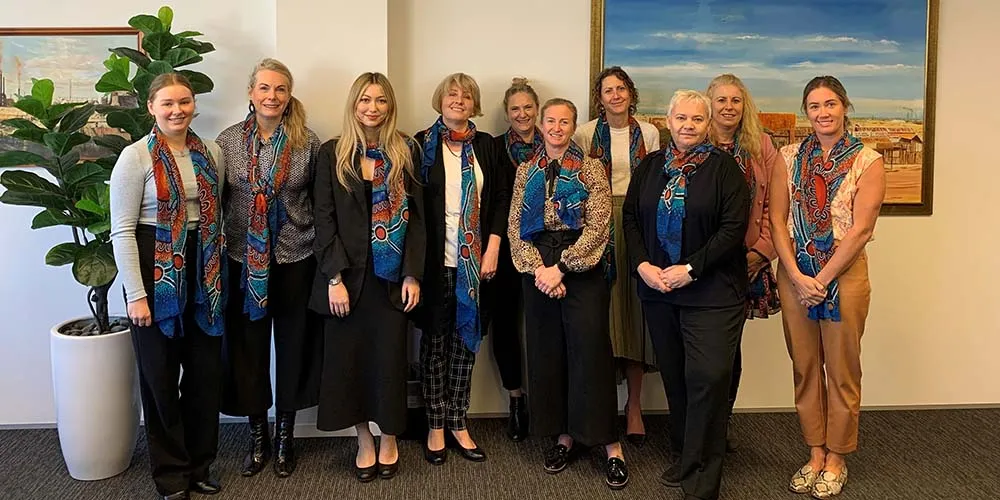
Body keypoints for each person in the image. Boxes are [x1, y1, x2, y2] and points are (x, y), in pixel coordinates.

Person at [622, 89, 750, 500]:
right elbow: (630, 219)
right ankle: (685, 455)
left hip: (712, 292)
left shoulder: (724, 168)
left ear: (708, 124)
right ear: (669, 120)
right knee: (676, 379)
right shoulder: (651, 166)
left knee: (707, 380)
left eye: (697, 119)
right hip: (659, 290)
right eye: (682, 119)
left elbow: (733, 230)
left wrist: (690, 269)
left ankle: (702, 480)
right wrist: (642, 265)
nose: (689, 126)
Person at [109, 72, 226, 500]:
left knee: (204, 375)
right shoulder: (134, 157)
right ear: (152, 108)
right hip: (152, 263)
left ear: (194, 105)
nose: (177, 110)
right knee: (159, 377)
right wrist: (136, 294)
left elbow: (216, 212)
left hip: (205, 270)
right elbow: (121, 230)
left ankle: (199, 465)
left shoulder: (210, 151)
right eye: (168, 103)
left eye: (185, 101)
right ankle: (171, 474)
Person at [772, 76, 884, 499]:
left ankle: (838, 456)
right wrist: (799, 276)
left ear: (844, 107)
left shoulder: (867, 160)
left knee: (841, 370)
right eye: (815, 105)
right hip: (794, 276)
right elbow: (777, 219)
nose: (823, 112)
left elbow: (861, 229)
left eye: (831, 103)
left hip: (843, 277)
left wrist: (821, 279)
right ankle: (815, 451)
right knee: (804, 366)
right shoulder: (787, 157)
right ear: (807, 112)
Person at [309, 72, 425, 482]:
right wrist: (334, 277)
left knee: (389, 362)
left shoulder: (407, 150)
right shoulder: (331, 153)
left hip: (391, 281)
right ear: (353, 105)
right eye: (364, 100)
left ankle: (389, 437)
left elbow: (418, 220)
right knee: (349, 364)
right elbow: (322, 219)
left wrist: (412, 274)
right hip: (346, 281)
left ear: (390, 107)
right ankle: (363, 439)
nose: (372, 108)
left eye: (380, 100)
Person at [508, 98, 628, 490]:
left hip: (582, 267)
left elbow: (598, 228)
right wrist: (539, 269)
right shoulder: (526, 170)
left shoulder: (592, 168)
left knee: (590, 353)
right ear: (541, 125)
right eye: (551, 121)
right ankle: (564, 435)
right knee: (549, 353)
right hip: (538, 267)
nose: (557, 127)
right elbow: (515, 227)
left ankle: (611, 445)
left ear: (573, 127)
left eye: (565, 122)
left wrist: (561, 267)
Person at [216, 58, 323, 478]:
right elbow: (219, 202)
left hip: (296, 256)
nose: (272, 96)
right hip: (244, 261)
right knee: (248, 350)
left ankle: (285, 438)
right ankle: (257, 434)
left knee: (293, 347)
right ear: (250, 92)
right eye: (264, 88)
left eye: (280, 89)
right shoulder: (226, 142)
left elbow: (318, 200)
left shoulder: (307, 142)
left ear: (288, 95)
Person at [413, 72, 509, 465]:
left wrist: (493, 249)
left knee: (466, 346)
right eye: (452, 94)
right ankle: (435, 423)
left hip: (476, 264)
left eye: (466, 96)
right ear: (440, 99)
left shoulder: (487, 146)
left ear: (474, 104)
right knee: (434, 345)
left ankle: (458, 421)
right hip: (435, 264)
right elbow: (413, 207)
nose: (458, 100)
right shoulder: (421, 144)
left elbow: (502, 198)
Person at [574, 66, 659, 444]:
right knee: (603, 318)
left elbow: (658, 181)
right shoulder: (585, 133)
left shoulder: (651, 133)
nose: (615, 95)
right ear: (599, 97)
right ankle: (603, 404)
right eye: (607, 90)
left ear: (630, 93)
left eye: (620, 88)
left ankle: (635, 406)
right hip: (596, 226)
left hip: (637, 224)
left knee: (636, 316)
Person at [705, 73, 782, 451]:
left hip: (745, 264)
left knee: (729, 352)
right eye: (721, 100)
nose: (728, 107)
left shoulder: (761, 146)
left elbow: (774, 207)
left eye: (736, 100)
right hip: (701, 267)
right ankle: (695, 431)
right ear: (709, 103)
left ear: (744, 105)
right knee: (701, 354)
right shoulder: (693, 143)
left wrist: (762, 251)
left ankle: (721, 425)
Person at [489, 77, 541, 441]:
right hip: (505, 251)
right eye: (515, 109)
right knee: (505, 325)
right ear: (507, 114)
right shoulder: (493, 149)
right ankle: (516, 399)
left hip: (547, 250)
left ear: (537, 110)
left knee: (543, 325)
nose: (522, 114)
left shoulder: (555, 143)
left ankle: (547, 401)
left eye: (528, 107)